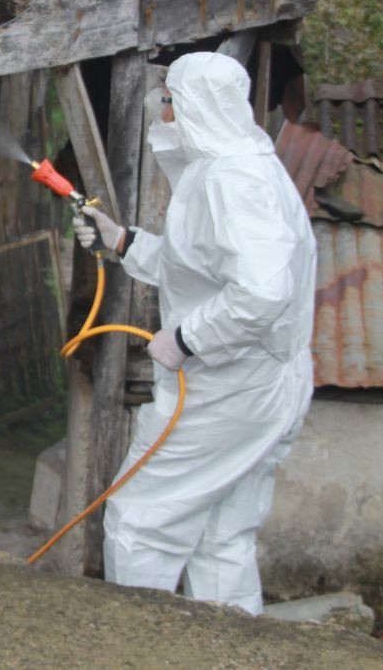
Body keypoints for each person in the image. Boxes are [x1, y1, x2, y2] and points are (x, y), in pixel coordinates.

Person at [72, 51, 316, 615]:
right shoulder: (245, 164)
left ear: (191, 108)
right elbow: (203, 267)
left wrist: (184, 341)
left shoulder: (232, 180)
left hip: (228, 391)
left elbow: (261, 292)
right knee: (221, 536)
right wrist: (123, 240)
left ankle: (140, 648)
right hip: (260, 384)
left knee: (140, 521)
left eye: (167, 103)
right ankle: (229, 650)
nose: (163, 116)